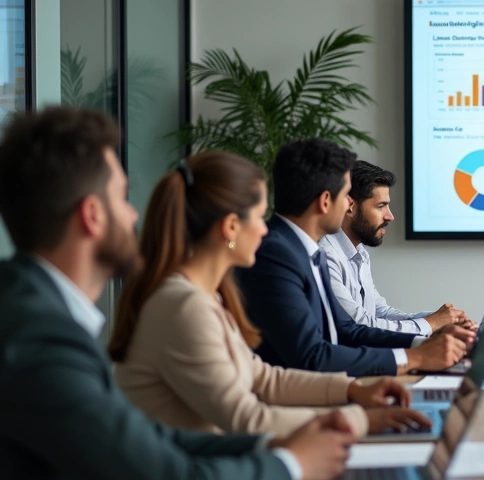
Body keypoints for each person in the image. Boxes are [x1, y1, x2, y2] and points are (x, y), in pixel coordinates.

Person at [0, 108, 352, 480]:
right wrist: (291, 464)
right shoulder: (38, 340)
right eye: (122, 198)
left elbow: (154, 440)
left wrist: (273, 444)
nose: (133, 215)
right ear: (92, 216)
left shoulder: (36, 313)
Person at [110, 151, 432, 439]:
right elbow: (245, 417)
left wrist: (352, 391)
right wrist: (359, 420)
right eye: (259, 217)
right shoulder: (184, 306)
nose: (266, 230)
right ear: (231, 228)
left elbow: (263, 378)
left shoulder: (208, 298)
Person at [236, 139, 474, 377]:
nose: (349, 205)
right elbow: (311, 356)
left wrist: (425, 344)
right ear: (326, 201)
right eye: (346, 196)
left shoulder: (306, 250)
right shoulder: (276, 253)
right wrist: (415, 357)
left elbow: (347, 329)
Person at [319, 160, 473, 334]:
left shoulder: (359, 252)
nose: (389, 216)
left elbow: (379, 313)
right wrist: (432, 323)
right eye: (381, 206)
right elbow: (356, 324)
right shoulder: (324, 255)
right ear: (349, 207)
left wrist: (442, 320)